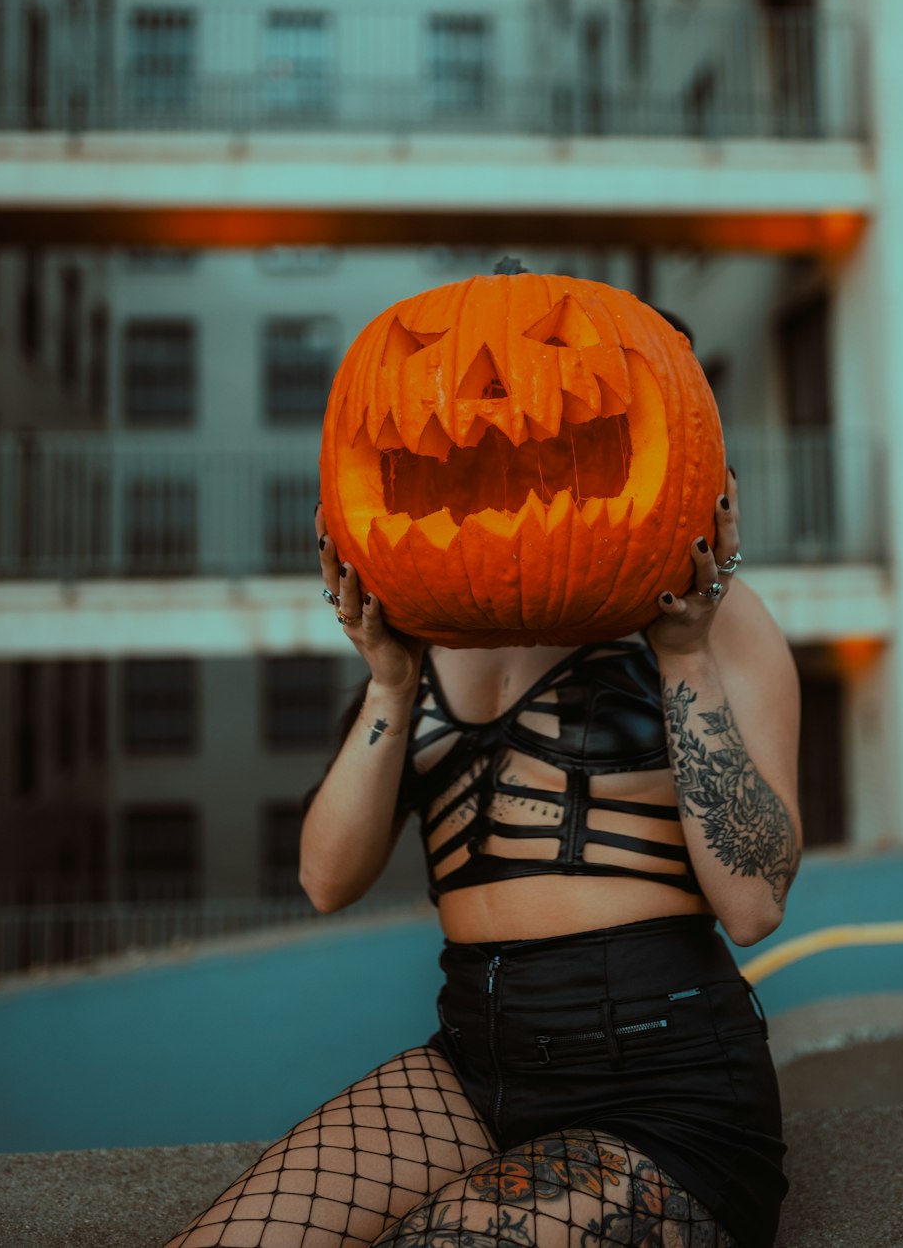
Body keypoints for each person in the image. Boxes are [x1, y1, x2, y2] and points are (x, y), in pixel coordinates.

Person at [165, 471, 801, 1248]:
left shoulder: (710, 610)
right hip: (470, 1066)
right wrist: (391, 684)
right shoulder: (431, 612)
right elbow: (326, 880)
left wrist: (686, 657)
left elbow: (755, 904)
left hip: (662, 1083)